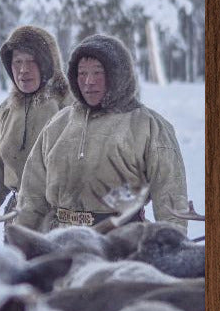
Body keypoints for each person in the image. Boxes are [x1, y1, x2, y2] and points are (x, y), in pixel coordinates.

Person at [15, 33, 188, 233]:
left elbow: (171, 199)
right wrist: (23, 240)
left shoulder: (149, 126)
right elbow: (32, 195)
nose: (88, 81)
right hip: (61, 242)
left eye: (98, 73)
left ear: (117, 75)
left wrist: (170, 244)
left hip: (122, 243)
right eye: (82, 73)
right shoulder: (58, 124)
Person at [0, 25, 73, 239]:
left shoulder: (70, 107)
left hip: (62, 220)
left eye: (31, 61)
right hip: (17, 218)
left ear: (47, 63)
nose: (23, 70)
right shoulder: (6, 111)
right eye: (17, 62)